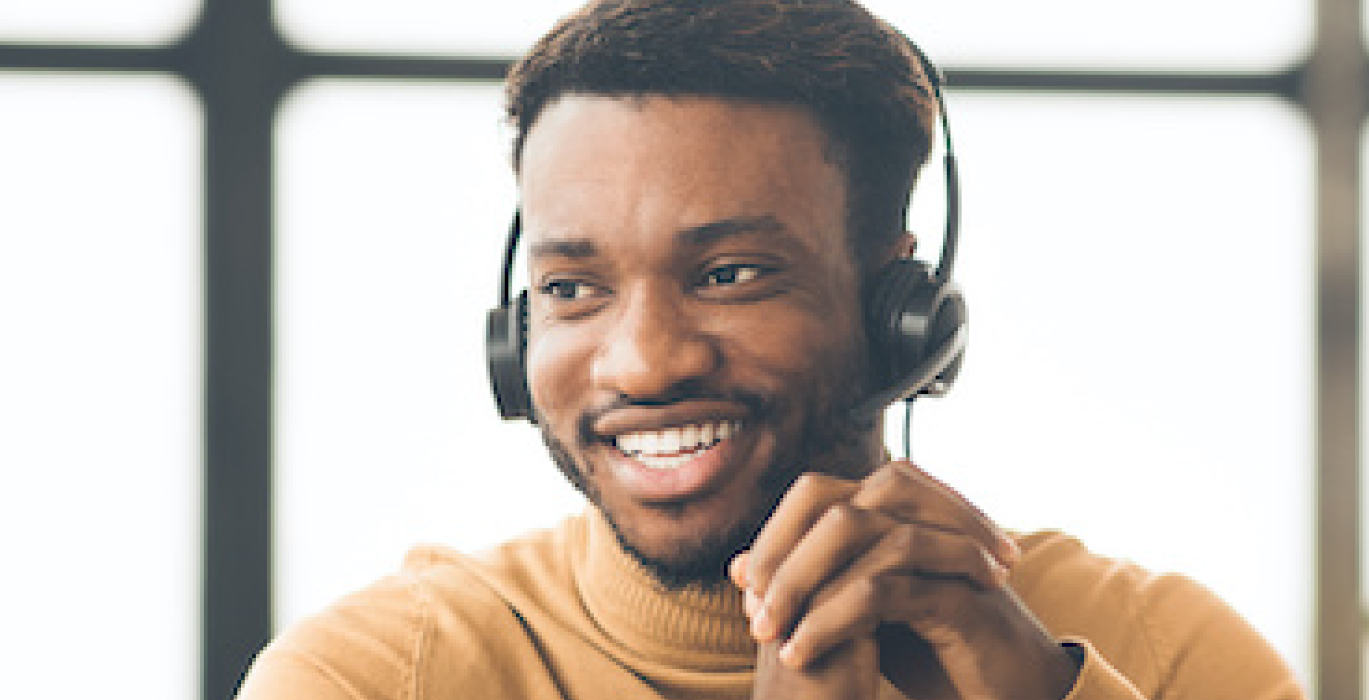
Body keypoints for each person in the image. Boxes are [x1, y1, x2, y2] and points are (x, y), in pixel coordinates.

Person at [235, 1, 1304, 698]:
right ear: (517, 336)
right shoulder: (383, 677)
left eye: (730, 274)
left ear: (901, 308)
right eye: (572, 288)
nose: (642, 364)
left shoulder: (1164, 656)